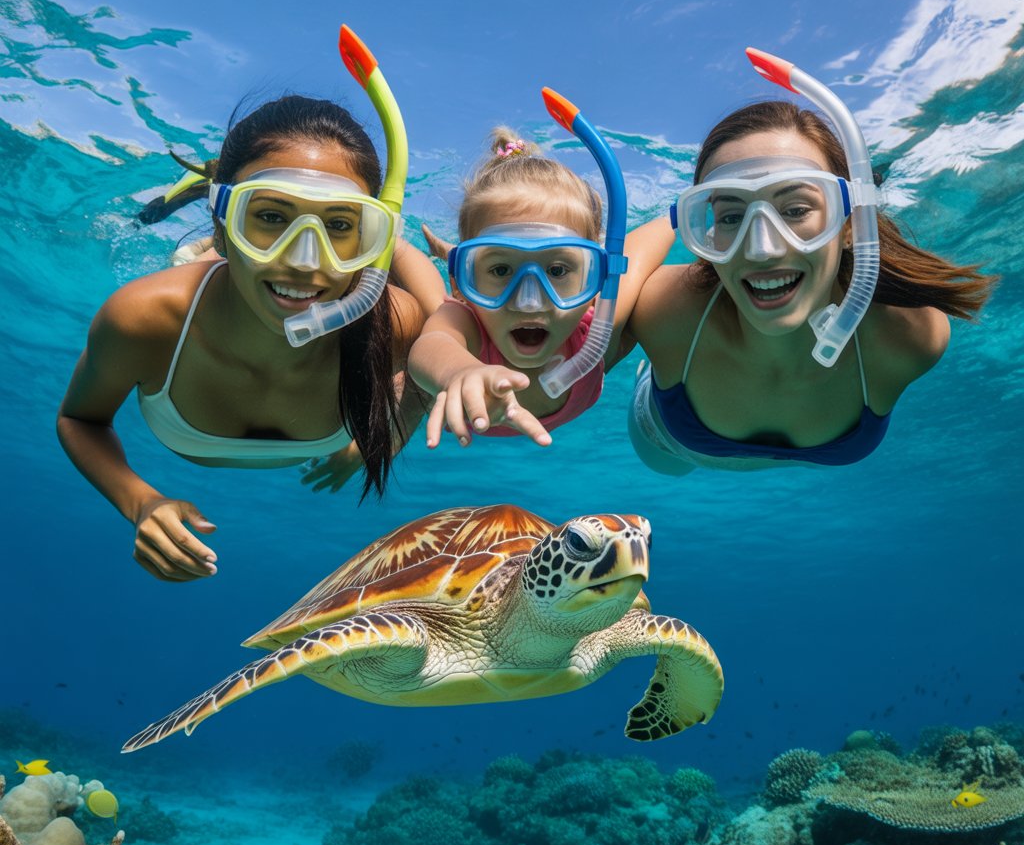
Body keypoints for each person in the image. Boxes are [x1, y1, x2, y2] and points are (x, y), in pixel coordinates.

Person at [57, 29, 434, 582]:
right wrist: (140, 501)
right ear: (222, 224)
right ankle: (214, 203)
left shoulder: (397, 322)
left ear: (373, 239)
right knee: (189, 260)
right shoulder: (146, 319)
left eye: (340, 225)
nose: (304, 262)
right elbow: (78, 418)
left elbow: (431, 376)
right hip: (211, 267)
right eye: (271, 216)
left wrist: (387, 437)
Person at [628, 49, 996, 475]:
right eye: (730, 216)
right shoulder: (664, 310)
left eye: (796, 210)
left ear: (850, 223)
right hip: (670, 446)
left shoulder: (912, 336)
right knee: (669, 468)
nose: (763, 249)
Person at [407, 89, 654, 447]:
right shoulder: (467, 327)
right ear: (461, 282)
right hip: (469, 313)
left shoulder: (599, 328)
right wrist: (460, 371)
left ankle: (475, 260)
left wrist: (683, 215)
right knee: (431, 302)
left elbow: (651, 238)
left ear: (598, 279)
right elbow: (432, 344)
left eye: (557, 271)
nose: (529, 301)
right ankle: (417, 249)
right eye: (502, 270)